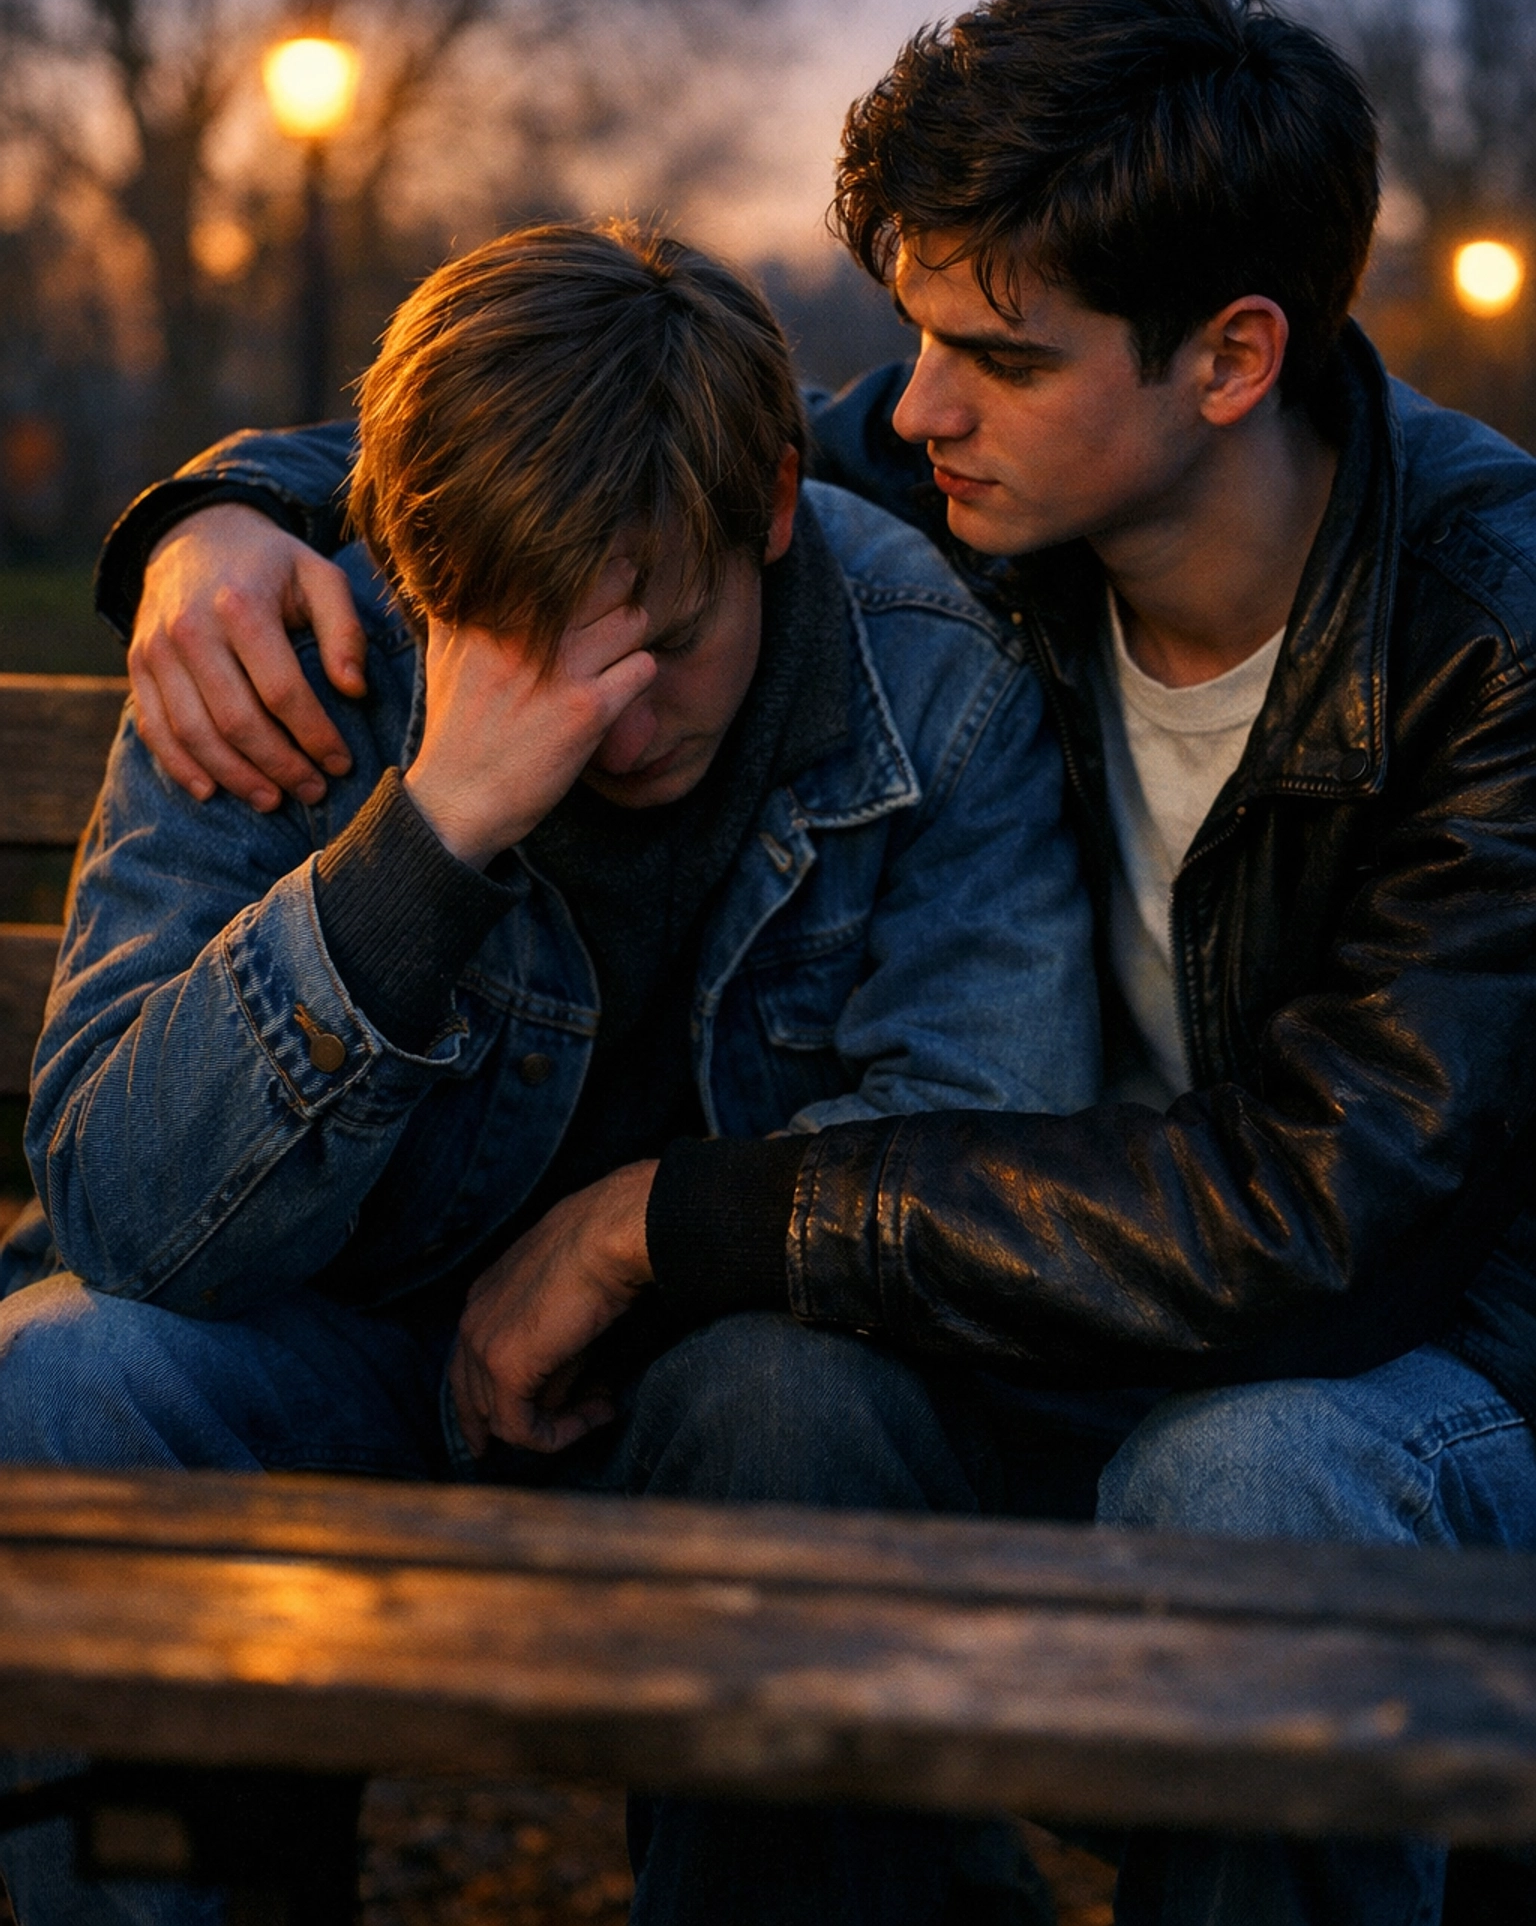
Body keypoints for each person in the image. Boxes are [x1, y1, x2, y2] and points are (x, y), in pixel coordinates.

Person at [108, 0, 1536, 1926]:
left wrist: (651, 1224)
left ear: (1228, 360)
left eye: (1000, 354)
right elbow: (588, 440)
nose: (916, 406)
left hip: (1400, 1373)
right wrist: (224, 512)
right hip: (1052, 1340)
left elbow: (1315, 1224)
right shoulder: (977, 479)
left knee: (1243, 1476)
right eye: (915, 336)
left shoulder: (1491, 637)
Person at [0, 221, 1097, 1926]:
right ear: (411, 568)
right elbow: (128, 1214)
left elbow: (970, 1167)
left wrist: (630, 1245)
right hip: (334, 1352)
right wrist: (426, 839)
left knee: (798, 1410)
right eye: (523, 652)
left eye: (664, 638)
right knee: (64, 1386)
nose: (616, 719)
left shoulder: (935, 678)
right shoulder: (280, 644)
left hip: (696, 1385)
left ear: (776, 514)